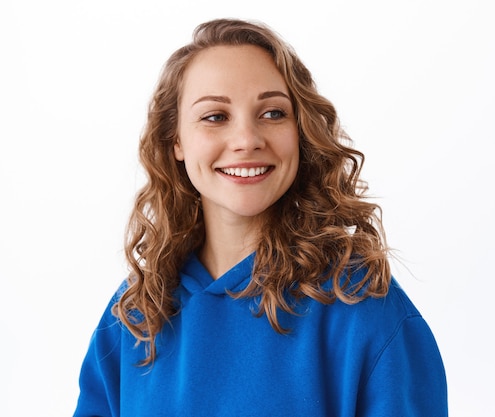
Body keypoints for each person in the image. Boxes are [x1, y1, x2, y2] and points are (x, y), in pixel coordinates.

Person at [73, 18, 448, 417]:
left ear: (301, 132)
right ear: (176, 141)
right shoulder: (135, 314)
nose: (247, 140)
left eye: (272, 113)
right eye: (215, 116)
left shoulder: (362, 307)